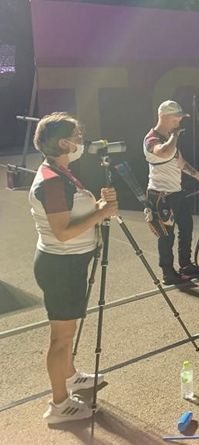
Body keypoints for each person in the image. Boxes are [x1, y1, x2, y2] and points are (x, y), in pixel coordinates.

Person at [29, 113, 118, 423]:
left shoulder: (60, 171)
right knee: (61, 337)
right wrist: (102, 213)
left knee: (67, 330)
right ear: (64, 143)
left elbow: (72, 215)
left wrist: (96, 208)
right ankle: (59, 405)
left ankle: (70, 375)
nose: (82, 141)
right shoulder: (52, 182)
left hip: (68, 265)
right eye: (77, 136)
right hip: (60, 267)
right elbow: (63, 232)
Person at [144, 100, 199, 285]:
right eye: (176, 118)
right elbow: (163, 152)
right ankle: (168, 273)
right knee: (166, 236)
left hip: (176, 192)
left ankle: (186, 264)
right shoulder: (151, 139)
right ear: (164, 116)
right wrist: (174, 136)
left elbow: (180, 163)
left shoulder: (170, 139)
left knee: (186, 228)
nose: (179, 122)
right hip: (160, 196)